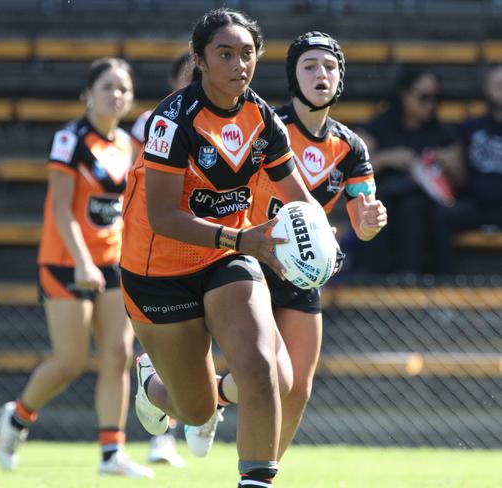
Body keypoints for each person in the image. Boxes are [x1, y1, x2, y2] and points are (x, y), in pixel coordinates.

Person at [120, 9, 327, 487]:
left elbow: (299, 196)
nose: (239, 64)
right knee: (194, 410)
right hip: (157, 270)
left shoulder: (263, 120)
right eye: (225, 54)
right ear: (200, 60)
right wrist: (243, 237)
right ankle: (152, 386)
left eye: (248, 53)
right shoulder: (171, 121)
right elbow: (163, 217)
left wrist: (321, 239)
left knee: (264, 371)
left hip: (225, 258)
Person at [183, 32, 388, 461]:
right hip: (251, 260)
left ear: (341, 77)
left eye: (329, 66)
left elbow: (360, 222)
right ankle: (210, 403)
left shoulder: (351, 147)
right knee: (273, 376)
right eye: (309, 65)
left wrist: (369, 223)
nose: (321, 74)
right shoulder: (267, 127)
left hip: (303, 270)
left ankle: (261, 469)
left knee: (298, 388)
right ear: (293, 76)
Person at [0, 57, 154, 479]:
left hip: (113, 261)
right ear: (87, 94)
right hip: (66, 261)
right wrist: (82, 260)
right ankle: (17, 418)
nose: (116, 95)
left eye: (123, 88)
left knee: (118, 354)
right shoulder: (69, 139)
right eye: (107, 87)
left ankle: (111, 453)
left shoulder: (127, 144)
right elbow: (61, 209)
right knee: (69, 362)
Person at [130, 50, 193, 470]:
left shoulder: (233, 120)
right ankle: (160, 436)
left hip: (206, 241)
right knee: (162, 346)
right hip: (155, 244)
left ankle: (200, 407)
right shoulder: (155, 122)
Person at [352, 68, 460, 274]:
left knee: (414, 207)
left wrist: (447, 163)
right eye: (423, 97)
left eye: (436, 98)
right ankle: (374, 278)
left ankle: (410, 277)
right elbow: (352, 170)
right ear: (404, 93)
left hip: (424, 207)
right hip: (384, 198)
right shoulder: (378, 127)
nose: (431, 104)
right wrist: (386, 158)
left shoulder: (443, 133)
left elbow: (461, 179)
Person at [451, 64, 502, 231]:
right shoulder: (470, 127)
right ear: (486, 89)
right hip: (477, 204)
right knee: (438, 215)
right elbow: (459, 174)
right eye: (498, 84)